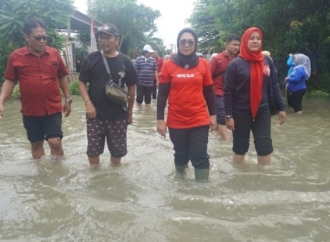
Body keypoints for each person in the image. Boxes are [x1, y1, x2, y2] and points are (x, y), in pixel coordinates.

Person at [0, 17, 71, 159]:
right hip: (30, 110)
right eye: (38, 38)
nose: (42, 41)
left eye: (45, 37)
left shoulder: (54, 53)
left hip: (53, 107)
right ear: (26, 36)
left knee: (55, 142)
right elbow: (9, 81)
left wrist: (68, 99)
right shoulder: (16, 56)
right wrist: (1, 102)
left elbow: (62, 76)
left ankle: (57, 175)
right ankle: (41, 176)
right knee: (36, 144)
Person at [157, 27, 217, 180]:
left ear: (195, 44)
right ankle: (181, 187)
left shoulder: (203, 64)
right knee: (181, 154)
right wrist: (160, 120)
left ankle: (201, 193)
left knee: (199, 155)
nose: (187, 45)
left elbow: (209, 92)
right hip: (176, 120)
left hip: (199, 118)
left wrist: (213, 115)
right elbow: (162, 94)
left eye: (191, 41)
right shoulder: (168, 65)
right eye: (183, 41)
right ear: (178, 43)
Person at [224, 27, 286, 165]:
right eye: (251, 38)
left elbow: (274, 85)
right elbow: (227, 92)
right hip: (240, 111)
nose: (255, 41)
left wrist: (281, 107)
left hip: (262, 110)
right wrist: (229, 116)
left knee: (264, 147)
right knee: (240, 148)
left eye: (258, 38)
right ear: (245, 41)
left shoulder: (267, 61)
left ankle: (264, 181)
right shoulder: (235, 64)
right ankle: (239, 179)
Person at [78, 23, 138, 166]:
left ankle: (114, 181)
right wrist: (88, 104)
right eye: (100, 37)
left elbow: (132, 88)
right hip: (95, 115)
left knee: (117, 154)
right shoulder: (91, 59)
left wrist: (129, 113)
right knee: (92, 152)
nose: (103, 40)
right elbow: (81, 83)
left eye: (107, 37)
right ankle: (95, 181)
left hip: (118, 116)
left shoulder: (125, 61)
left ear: (117, 39)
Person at [210, 33, 240, 141]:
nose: (236, 47)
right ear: (227, 44)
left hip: (232, 94)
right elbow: (208, 77)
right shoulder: (217, 59)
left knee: (229, 116)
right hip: (218, 92)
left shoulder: (238, 60)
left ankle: (218, 136)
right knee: (223, 116)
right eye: (234, 44)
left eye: (238, 45)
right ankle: (227, 143)